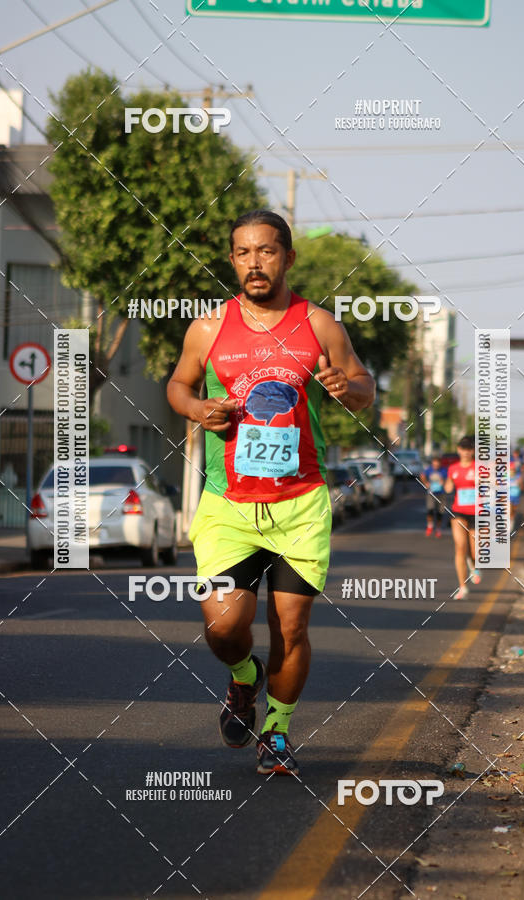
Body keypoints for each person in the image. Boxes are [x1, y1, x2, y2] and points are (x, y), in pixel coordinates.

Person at [167, 209, 375, 776]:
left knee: (291, 627)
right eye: (243, 253)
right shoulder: (208, 328)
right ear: (232, 260)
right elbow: (179, 383)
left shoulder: (320, 325)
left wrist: (347, 387)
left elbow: (365, 386)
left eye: (266, 251)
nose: (254, 262)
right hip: (228, 504)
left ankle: (277, 732)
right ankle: (244, 679)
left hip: (301, 503)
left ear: (287, 257)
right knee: (223, 624)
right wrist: (197, 408)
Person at [444, 435, 481, 599]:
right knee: (460, 547)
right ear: (458, 450)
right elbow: (448, 486)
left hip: (477, 512)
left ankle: (474, 566)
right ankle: (462, 586)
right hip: (458, 511)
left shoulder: (479, 467)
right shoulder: (453, 468)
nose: (466, 452)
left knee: (474, 550)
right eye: (463, 449)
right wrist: (448, 484)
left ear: (473, 451)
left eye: (469, 449)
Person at [421, 456, 447, 537]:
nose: (435, 466)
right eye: (434, 464)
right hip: (431, 493)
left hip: (441, 493)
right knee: (430, 510)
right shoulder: (429, 469)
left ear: (440, 464)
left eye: (437, 464)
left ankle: (438, 529)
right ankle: (430, 526)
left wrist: (444, 482)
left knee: (440, 512)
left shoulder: (444, 470)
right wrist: (425, 483)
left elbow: (449, 479)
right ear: (432, 463)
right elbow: (422, 475)